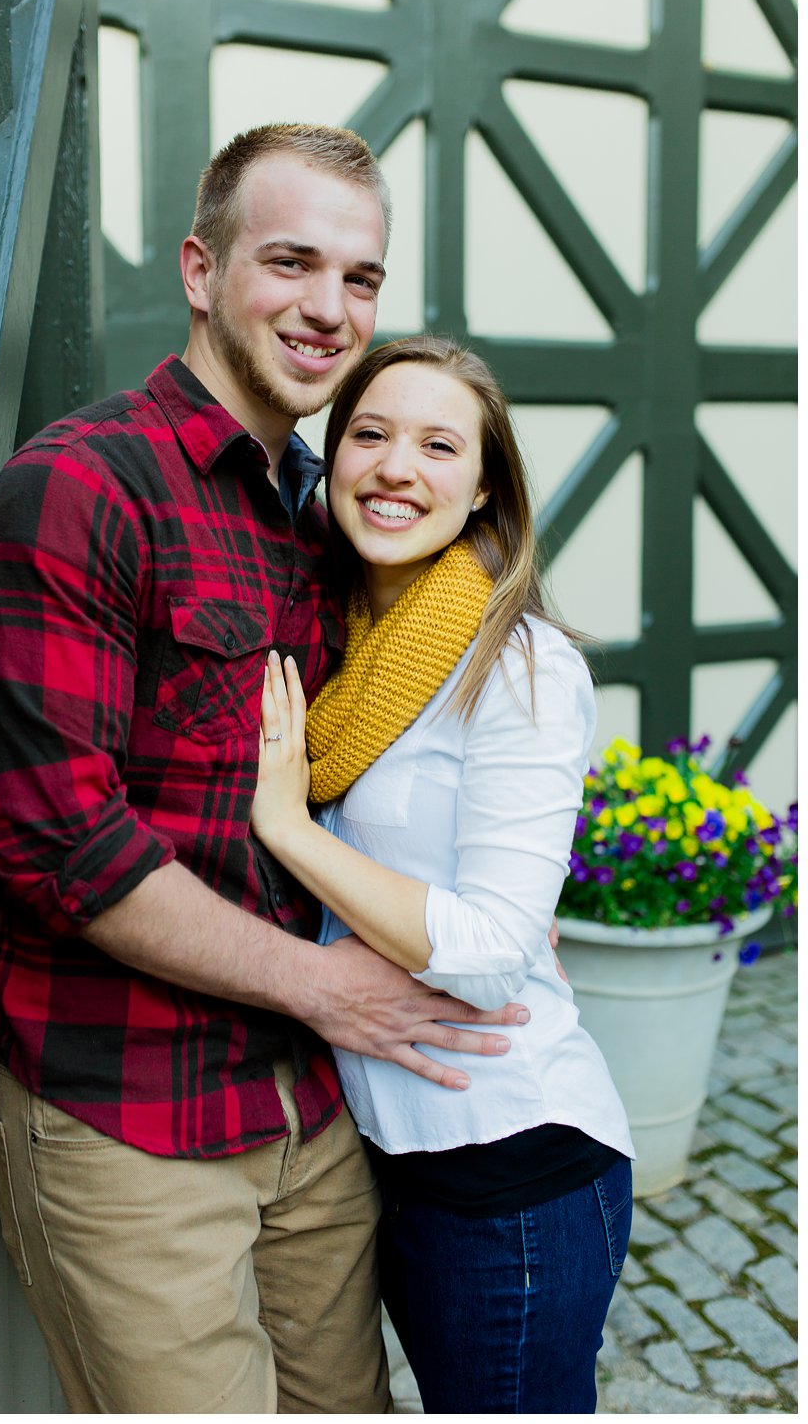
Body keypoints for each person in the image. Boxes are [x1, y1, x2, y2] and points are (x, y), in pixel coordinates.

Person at [0, 124, 530, 1413]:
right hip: (131, 1115)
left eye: (361, 277)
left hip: (313, 1113)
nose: (329, 310)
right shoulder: (79, 487)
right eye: (290, 262)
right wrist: (328, 991)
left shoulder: (324, 508)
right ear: (199, 268)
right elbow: (64, 849)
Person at [249, 335, 634, 1412]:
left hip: (511, 1177)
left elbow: (486, 956)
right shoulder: (349, 651)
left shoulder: (516, 666)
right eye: (367, 434)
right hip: (397, 1165)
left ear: (478, 491)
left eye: (435, 444)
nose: (394, 466)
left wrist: (288, 826)